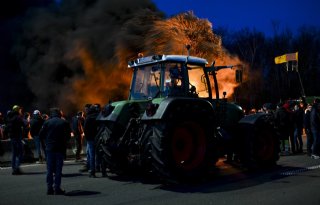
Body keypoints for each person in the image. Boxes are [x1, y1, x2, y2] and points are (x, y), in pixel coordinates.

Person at [39, 107, 71, 195]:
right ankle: (57, 188)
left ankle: (49, 188)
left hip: (49, 148)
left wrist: (48, 140)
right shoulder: (64, 122)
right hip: (60, 149)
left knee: (49, 169)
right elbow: (68, 136)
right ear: (59, 114)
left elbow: (41, 135)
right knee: (58, 169)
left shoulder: (47, 122)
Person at [6, 105, 25, 175]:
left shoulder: (9, 117)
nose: (21, 111)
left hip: (12, 137)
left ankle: (14, 168)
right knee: (21, 153)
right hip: (17, 137)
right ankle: (17, 168)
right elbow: (24, 124)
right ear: (17, 110)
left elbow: (7, 128)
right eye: (20, 110)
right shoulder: (18, 117)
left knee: (14, 153)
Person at [84, 104, 100, 178]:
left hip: (90, 139)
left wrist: (87, 138)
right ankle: (99, 168)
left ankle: (92, 171)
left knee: (92, 155)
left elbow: (85, 129)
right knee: (99, 154)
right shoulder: (99, 116)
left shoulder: (88, 118)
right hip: (98, 138)